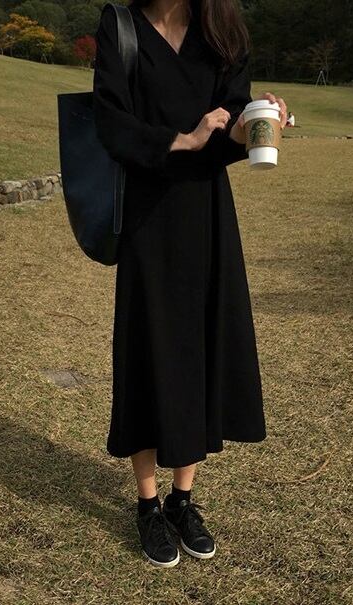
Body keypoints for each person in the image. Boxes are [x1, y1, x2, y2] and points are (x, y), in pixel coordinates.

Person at [92, 0, 287, 568]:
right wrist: (182, 139)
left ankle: (183, 500)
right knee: (148, 351)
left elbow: (228, 132)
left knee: (197, 348)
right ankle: (147, 505)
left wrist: (256, 123)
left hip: (206, 216)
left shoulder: (222, 29)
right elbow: (110, 119)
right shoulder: (121, 25)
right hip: (147, 218)